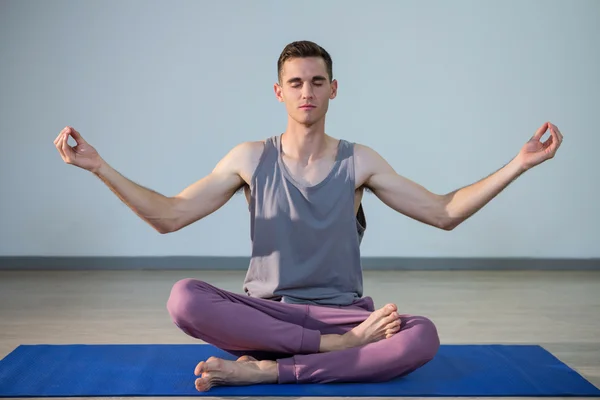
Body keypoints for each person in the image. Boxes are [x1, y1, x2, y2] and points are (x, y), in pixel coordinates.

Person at [54, 40, 563, 392]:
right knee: (183, 297)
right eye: (295, 83)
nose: (306, 92)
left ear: (333, 89)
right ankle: (331, 353)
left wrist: (519, 163)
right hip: (267, 316)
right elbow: (169, 216)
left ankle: (270, 374)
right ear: (279, 92)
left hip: (344, 313)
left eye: (317, 82)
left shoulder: (359, 161)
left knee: (423, 334)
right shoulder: (250, 158)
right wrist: (98, 166)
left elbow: (444, 212)